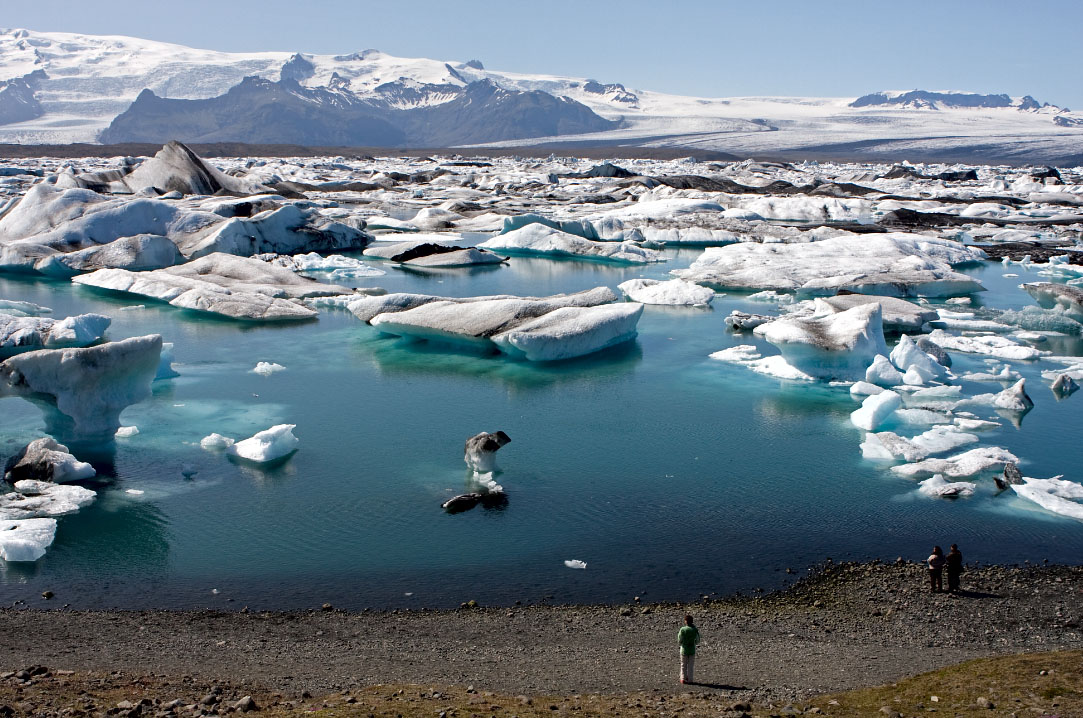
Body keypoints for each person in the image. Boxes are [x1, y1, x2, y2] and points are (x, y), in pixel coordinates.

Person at [677, 614, 700, 684]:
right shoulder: (695, 630)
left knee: (683, 665)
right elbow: (697, 640)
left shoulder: (683, 629)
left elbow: (679, 639)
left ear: (686, 621)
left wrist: (681, 643)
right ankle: (690, 679)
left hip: (684, 649)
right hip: (692, 649)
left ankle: (683, 678)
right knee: (690, 665)